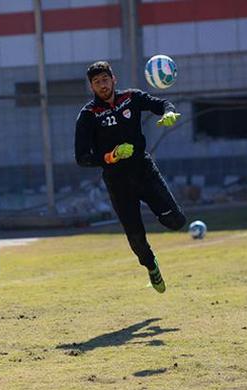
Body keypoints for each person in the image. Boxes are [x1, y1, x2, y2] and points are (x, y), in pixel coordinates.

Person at [74, 61, 186, 294]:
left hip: (144, 172)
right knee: (136, 240)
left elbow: (162, 103)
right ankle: (151, 266)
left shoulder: (131, 98)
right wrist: (110, 156)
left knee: (176, 221)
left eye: (105, 80)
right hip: (118, 183)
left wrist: (169, 112)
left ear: (113, 79)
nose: (102, 85)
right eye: (96, 83)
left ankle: (158, 211)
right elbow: (82, 157)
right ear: (91, 87)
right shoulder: (88, 115)